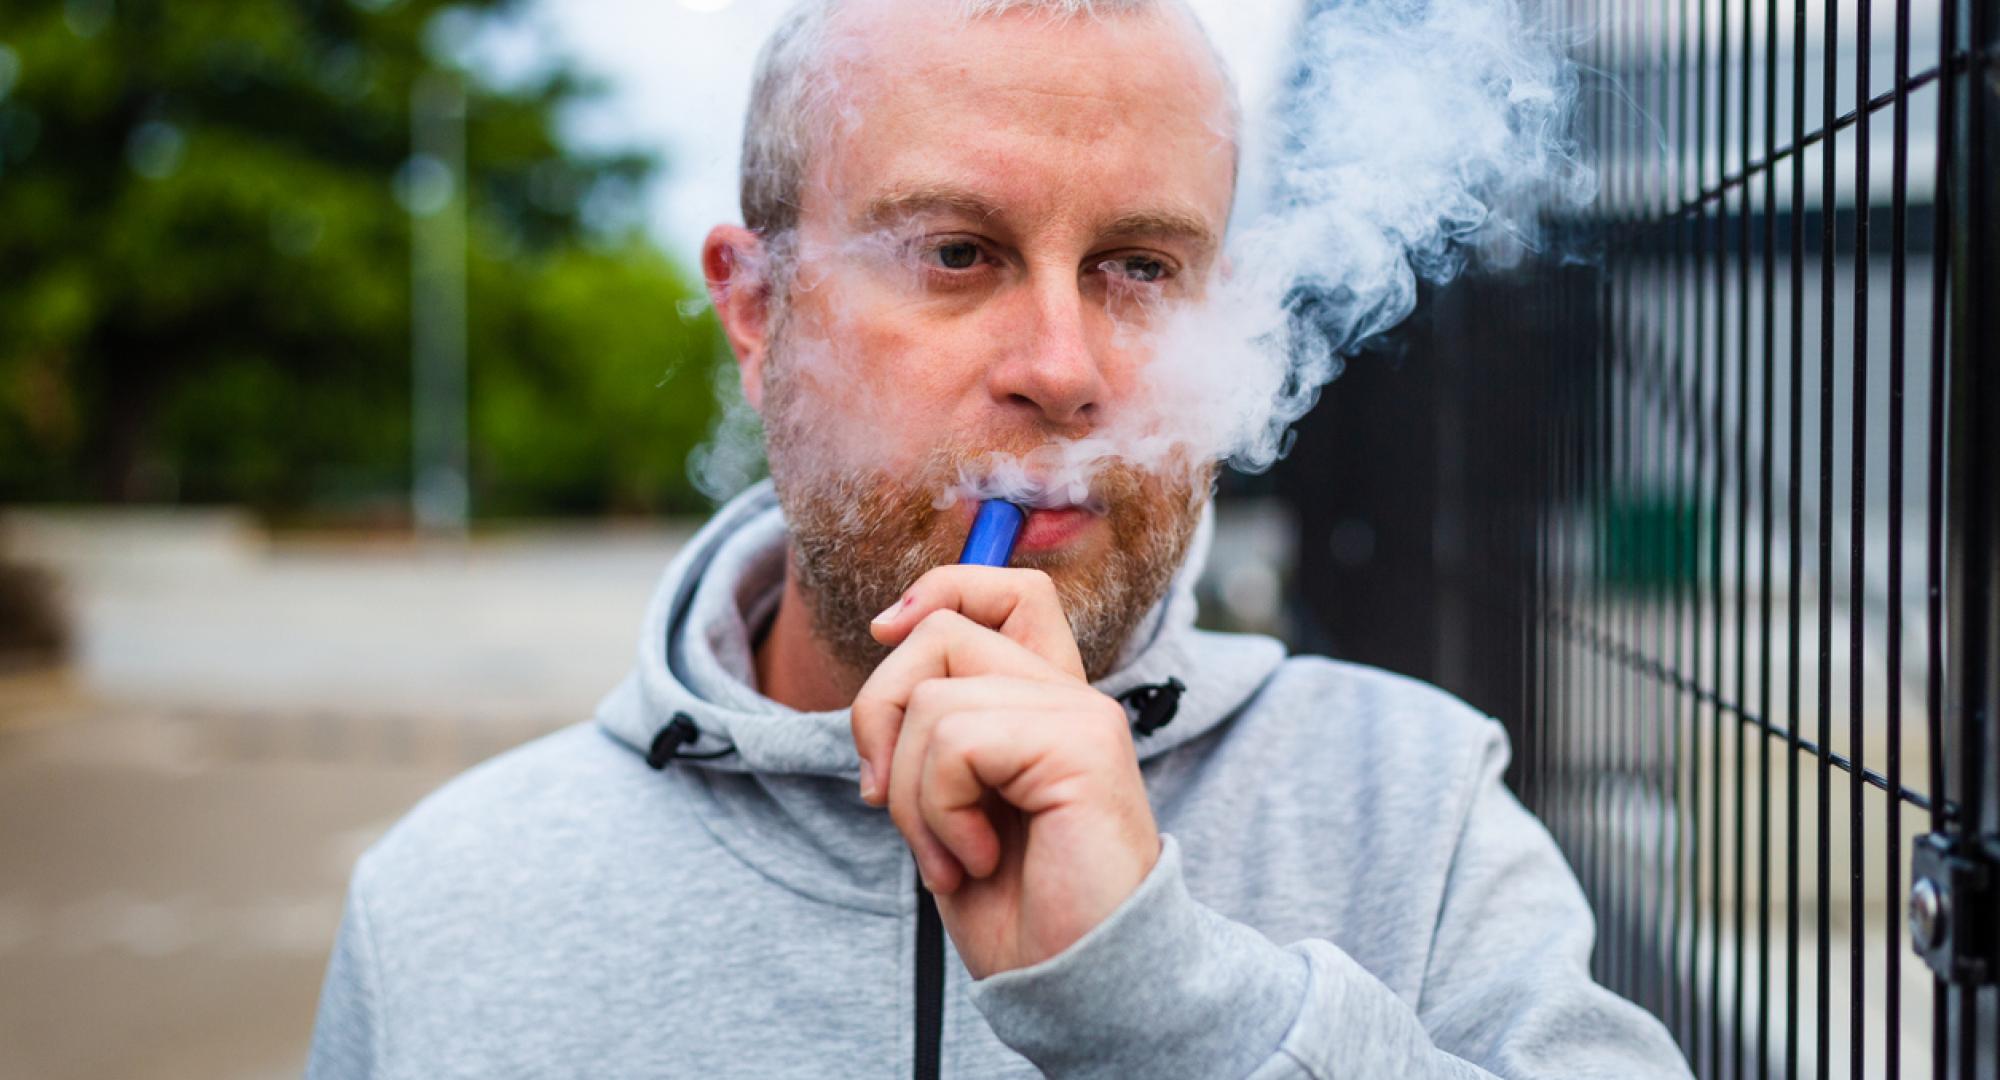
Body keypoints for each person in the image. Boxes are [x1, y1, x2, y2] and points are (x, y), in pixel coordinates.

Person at [306, 1, 1692, 1076]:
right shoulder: (456, 905)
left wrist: (1167, 1004)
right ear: (756, 313)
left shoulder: (1415, 810)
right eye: (957, 252)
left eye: (1140, 267)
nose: (1063, 366)